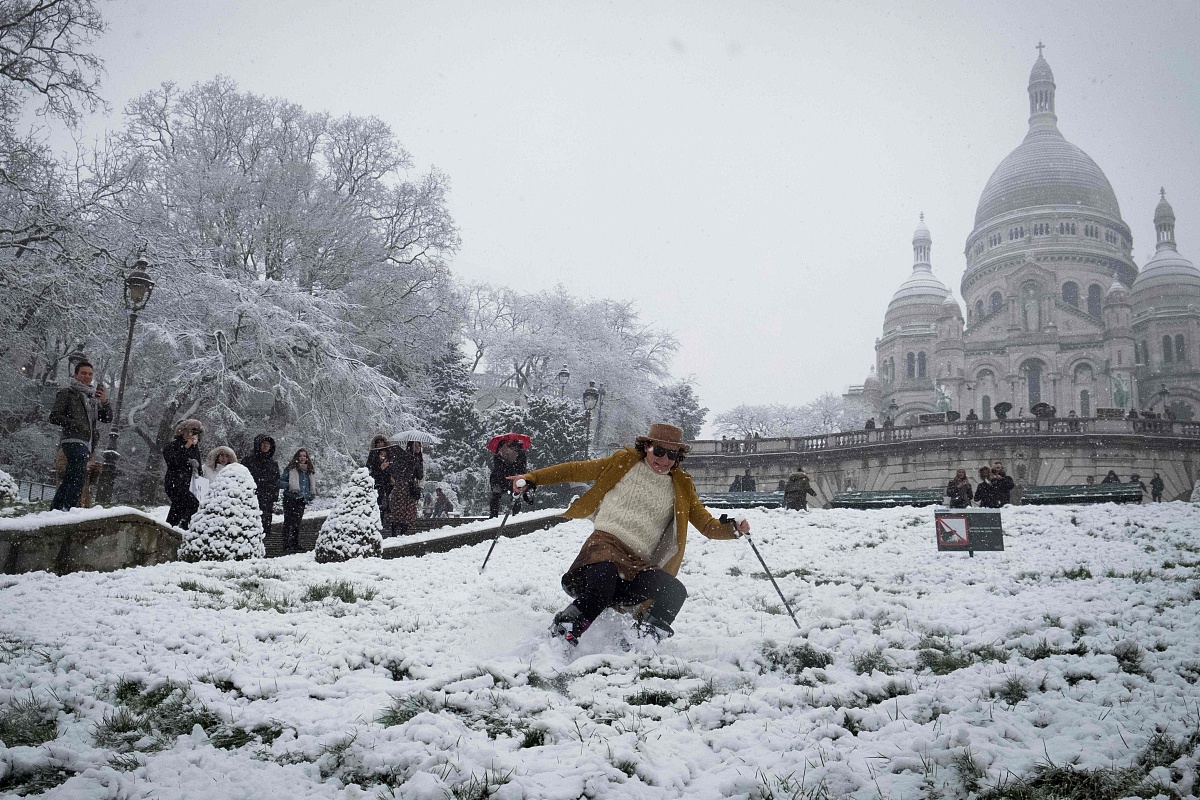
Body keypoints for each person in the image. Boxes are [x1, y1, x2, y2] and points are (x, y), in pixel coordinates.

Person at [511, 423, 750, 646]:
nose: (664, 460)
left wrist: (732, 529)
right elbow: (575, 470)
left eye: (672, 455)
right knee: (605, 577)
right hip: (603, 547)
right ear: (647, 447)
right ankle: (561, 635)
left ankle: (639, 644)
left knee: (674, 592)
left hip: (636, 565)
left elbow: (707, 525)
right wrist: (533, 478)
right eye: (659, 451)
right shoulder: (622, 463)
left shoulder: (682, 485)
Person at [49, 361, 111, 511]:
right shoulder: (67, 393)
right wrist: (76, 424)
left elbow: (107, 418)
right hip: (73, 439)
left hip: (87, 442)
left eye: (90, 374)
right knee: (77, 477)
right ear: (76, 375)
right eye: (83, 373)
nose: (87, 377)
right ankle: (66, 509)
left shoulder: (93, 397)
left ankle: (56, 511)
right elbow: (54, 416)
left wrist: (104, 402)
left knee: (72, 476)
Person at [163, 419, 204, 529]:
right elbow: (172, 461)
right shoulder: (172, 445)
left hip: (190, 484)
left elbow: (198, 468)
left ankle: (171, 528)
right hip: (175, 482)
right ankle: (180, 527)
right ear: (182, 431)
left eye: (195, 432)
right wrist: (185, 447)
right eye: (189, 431)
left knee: (179, 507)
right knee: (190, 503)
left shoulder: (195, 449)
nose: (191, 434)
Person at [279, 448, 316, 553]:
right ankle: (286, 544)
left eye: (304, 456)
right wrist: (289, 485)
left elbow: (309, 485)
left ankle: (295, 543)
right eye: (300, 456)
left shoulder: (309, 471)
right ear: (297, 457)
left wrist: (310, 494)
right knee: (288, 522)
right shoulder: (290, 469)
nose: (302, 458)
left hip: (301, 500)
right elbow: (280, 482)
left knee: (297, 523)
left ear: (307, 458)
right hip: (290, 498)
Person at [382, 440, 423, 537]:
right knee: (398, 510)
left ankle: (403, 533)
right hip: (401, 486)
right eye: (415, 445)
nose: (417, 447)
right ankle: (394, 532)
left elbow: (420, 476)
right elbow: (398, 471)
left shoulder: (418, 459)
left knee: (407, 512)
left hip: (411, 488)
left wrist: (416, 464)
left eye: (418, 445)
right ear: (410, 446)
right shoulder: (403, 457)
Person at [244, 434, 281, 538]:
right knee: (252, 524)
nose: (265, 446)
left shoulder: (273, 463)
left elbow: (276, 480)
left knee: (266, 524)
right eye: (263, 443)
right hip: (252, 497)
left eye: (268, 444)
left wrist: (274, 495)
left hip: (267, 498)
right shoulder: (248, 460)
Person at [489, 438, 528, 518]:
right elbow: (522, 468)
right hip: (507, 478)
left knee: (497, 496)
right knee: (514, 497)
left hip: (501, 478)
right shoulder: (519, 455)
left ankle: (494, 515)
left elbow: (497, 466)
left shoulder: (501, 453)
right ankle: (515, 516)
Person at [366, 435, 392, 525]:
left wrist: (391, 476)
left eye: (382, 442)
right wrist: (380, 468)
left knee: (387, 503)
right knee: (378, 503)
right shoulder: (372, 455)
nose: (380, 444)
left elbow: (393, 468)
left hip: (388, 484)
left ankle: (385, 521)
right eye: (378, 443)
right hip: (377, 483)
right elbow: (369, 470)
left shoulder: (390, 455)